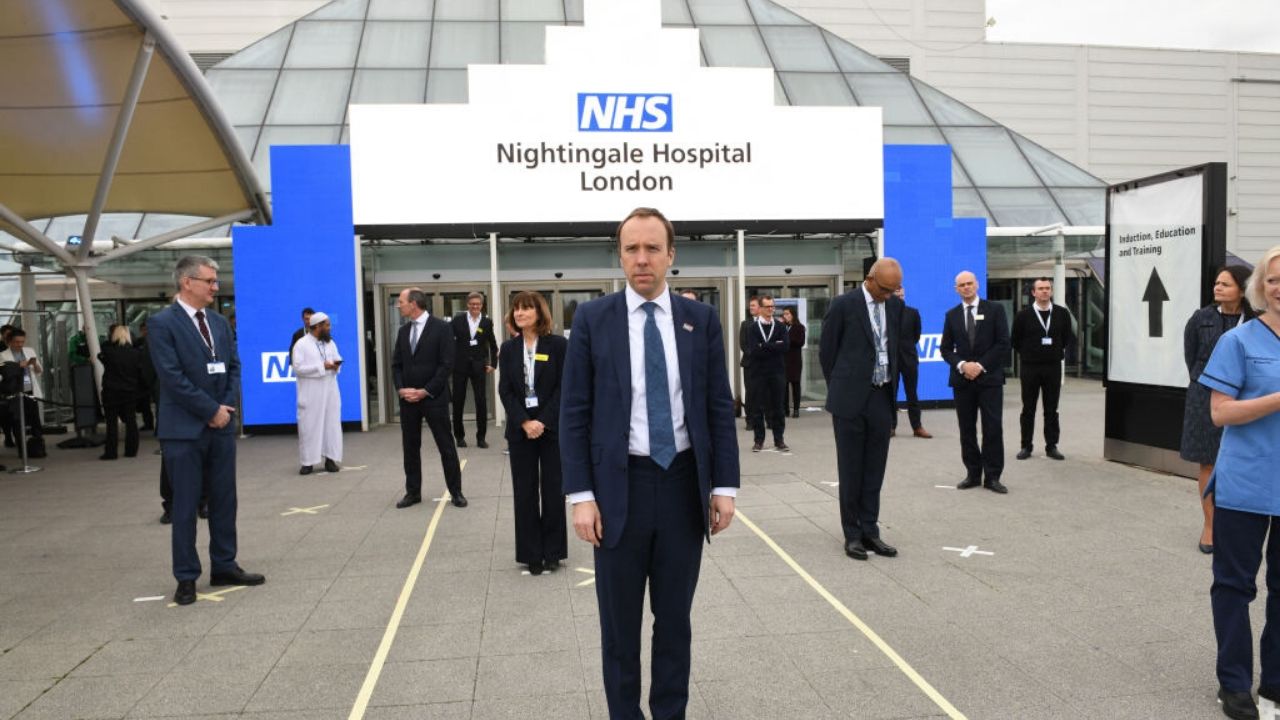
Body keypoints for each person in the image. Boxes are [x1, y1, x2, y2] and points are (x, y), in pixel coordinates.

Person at [561, 207, 738, 720]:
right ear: (620, 255)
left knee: (675, 622)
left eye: (652, 248)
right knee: (618, 628)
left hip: (683, 488)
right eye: (631, 249)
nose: (641, 259)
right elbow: (575, 413)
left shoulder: (699, 319)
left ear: (671, 255)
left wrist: (724, 485)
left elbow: (716, 406)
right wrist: (581, 495)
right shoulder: (593, 320)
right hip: (619, 492)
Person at [148, 255, 263, 606]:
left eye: (216, 281)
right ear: (187, 282)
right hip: (184, 430)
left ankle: (225, 564)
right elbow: (171, 376)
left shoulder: (218, 322)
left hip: (221, 427)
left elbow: (233, 366)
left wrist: (224, 408)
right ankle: (186, 576)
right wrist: (209, 409)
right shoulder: (161, 324)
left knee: (225, 500)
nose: (216, 287)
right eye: (209, 281)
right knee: (184, 505)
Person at [1197, 245, 1280, 720]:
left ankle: (1275, 680)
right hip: (1245, 486)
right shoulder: (1240, 341)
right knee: (1235, 586)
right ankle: (1233, 684)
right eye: (1272, 279)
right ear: (1259, 288)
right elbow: (1220, 412)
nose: (1279, 287)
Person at [820, 258, 904, 560]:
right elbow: (827, 352)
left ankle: (871, 531)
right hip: (851, 399)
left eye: (893, 290)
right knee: (851, 468)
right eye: (884, 289)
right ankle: (852, 534)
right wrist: (842, 388)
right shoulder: (844, 305)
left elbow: (895, 347)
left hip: (882, 396)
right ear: (869, 279)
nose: (888, 295)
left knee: (874, 469)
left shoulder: (894, 305)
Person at [1182, 265, 1254, 554]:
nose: (1218, 288)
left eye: (1225, 284)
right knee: (1208, 463)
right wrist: (1204, 386)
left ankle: (1239, 526)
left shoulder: (1257, 320)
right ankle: (1210, 526)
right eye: (1216, 283)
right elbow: (1191, 357)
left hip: (1246, 399)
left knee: (1242, 463)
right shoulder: (1201, 318)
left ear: (1242, 288)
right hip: (1204, 398)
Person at [498, 291, 568, 576]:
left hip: (550, 431)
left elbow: (564, 387)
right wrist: (525, 422)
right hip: (521, 431)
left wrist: (543, 421)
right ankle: (531, 554)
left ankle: (553, 552)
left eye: (526, 309)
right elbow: (506, 390)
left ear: (539, 313)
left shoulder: (559, 345)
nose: (519, 314)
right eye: (516, 309)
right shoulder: (509, 348)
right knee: (524, 492)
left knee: (553, 491)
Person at [392, 288, 465, 509]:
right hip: (408, 401)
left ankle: (456, 492)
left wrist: (425, 391)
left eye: (402, 302)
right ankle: (412, 492)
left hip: (434, 398)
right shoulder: (403, 332)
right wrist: (401, 389)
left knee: (446, 446)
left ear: (414, 303)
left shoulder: (442, 328)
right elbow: (396, 365)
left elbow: (446, 365)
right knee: (410, 447)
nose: (399, 305)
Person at [941, 271, 1010, 494]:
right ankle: (972, 474)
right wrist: (962, 365)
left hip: (989, 379)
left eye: (970, 283)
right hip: (963, 381)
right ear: (956, 289)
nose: (966, 287)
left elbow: (1002, 343)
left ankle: (992, 476)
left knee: (992, 428)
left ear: (977, 285)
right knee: (966, 429)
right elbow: (945, 349)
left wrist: (978, 366)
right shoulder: (951, 315)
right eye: (962, 285)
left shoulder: (995, 310)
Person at [1010, 277, 1076, 461]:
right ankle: (1026, 446)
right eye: (1040, 288)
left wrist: (1053, 351)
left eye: (1047, 288)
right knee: (1028, 408)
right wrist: (1030, 352)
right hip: (1030, 367)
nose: (1044, 291)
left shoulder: (1062, 314)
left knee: (1051, 409)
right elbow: (1015, 340)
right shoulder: (1023, 315)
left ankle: (1052, 446)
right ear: (1033, 292)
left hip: (1053, 367)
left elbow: (1066, 338)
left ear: (1052, 291)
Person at [292, 311, 343, 476]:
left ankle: (330, 459)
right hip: (311, 393)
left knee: (331, 426)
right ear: (318, 327)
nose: (329, 328)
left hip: (330, 391)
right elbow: (298, 368)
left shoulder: (330, 343)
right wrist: (322, 367)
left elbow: (337, 358)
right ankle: (308, 463)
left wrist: (335, 365)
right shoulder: (301, 344)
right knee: (310, 427)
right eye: (327, 325)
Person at [450, 292, 498, 449]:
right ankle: (459, 436)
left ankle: (481, 438)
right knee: (458, 401)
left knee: (481, 402)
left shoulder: (486, 322)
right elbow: (448, 342)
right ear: (467, 305)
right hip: (460, 366)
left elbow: (493, 344)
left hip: (479, 366)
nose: (475, 306)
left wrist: (494, 364)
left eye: (478, 304)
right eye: (472, 304)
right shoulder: (457, 321)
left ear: (482, 305)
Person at [744, 295, 789, 452]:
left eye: (772, 306)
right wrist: (773, 346)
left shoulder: (780, 326)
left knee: (778, 407)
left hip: (777, 372)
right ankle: (759, 440)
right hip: (758, 373)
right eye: (768, 306)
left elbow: (785, 347)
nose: (771, 309)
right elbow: (754, 350)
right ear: (761, 309)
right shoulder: (752, 328)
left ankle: (779, 439)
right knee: (758, 408)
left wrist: (765, 345)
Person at [98, 324, 146, 460]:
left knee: (111, 423)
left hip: (111, 391)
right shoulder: (136, 353)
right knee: (131, 421)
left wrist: (112, 340)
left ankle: (111, 452)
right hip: (130, 391)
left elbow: (100, 354)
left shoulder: (108, 350)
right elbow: (140, 372)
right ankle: (131, 450)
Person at [890, 286, 931, 439]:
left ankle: (917, 427)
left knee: (912, 393)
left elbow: (916, 335)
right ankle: (891, 427)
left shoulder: (913, 313)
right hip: (891, 360)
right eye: (896, 294)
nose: (899, 296)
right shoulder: (886, 313)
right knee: (891, 394)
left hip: (909, 359)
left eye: (901, 294)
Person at [0, 329, 45, 455]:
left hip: (30, 388)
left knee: (35, 418)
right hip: (14, 392)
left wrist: (34, 365)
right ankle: (22, 449)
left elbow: (39, 371)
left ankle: (39, 446)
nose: (20, 345)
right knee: (18, 420)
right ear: (9, 342)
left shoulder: (29, 351)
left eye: (22, 342)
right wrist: (18, 366)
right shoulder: (3, 355)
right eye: (16, 342)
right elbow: (4, 375)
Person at [738, 295, 760, 430]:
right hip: (750, 364)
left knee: (765, 392)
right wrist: (755, 355)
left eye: (753, 305)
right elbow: (743, 344)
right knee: (751, 392)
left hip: (765, 364)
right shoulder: (745, 324)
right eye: (750, 305)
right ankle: (750, 420)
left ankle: (766, 419)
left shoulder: (767, 323)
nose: (750, 308)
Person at [783, 307, 806, 418]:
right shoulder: (783, 327)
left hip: (795, 360)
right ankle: (785, 409)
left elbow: (800, 342)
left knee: (796, 385)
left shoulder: (799, 327)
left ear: (793, 315)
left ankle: (796, 409)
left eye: (787, 314)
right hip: (783, 360)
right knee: (784, 386)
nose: (785, 316)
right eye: (784, 314)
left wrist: (787, 339)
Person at [134, 320, 155, 431]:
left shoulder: (151, 342)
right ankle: (149, 423)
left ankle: (150, 423)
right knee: (145, 403)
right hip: (144, 377)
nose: (145, 332)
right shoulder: (139, 342)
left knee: (147, 402)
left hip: (149, 376)